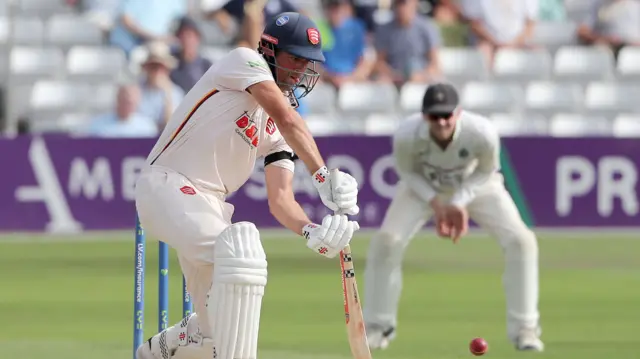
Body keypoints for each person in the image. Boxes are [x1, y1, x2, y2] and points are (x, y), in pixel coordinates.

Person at [134, 12, 361, 359]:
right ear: (271, 51)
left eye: (308, 63)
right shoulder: (243, 61)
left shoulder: (277, 130)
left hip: (207, 207)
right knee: (244, 254)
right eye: (295, 59)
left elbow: (281, 200)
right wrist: (322, 176)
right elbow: (288, 118)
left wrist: (311, 231)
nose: (301, 70)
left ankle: (158, 350)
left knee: (218, 334)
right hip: (167, 186)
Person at [362, 83, 543, 352]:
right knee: (386, 241)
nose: (442, 122)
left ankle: (526, 330)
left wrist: (459, 201)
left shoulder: (481, 132)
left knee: (522, 241)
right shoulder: (407, 135)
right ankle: (378, 326)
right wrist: (437, 204)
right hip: (422, 187)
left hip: (477, 186)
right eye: (435, 116)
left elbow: (486, 170)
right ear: (424, 116)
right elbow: (408, 174)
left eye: (448, 115)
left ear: (458, 113)